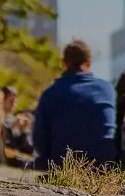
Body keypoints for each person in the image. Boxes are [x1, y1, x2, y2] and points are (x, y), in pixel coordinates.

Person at [31, 39, 117, 170]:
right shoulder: (107, 89)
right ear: (88, 62)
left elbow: (39, 141)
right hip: (104, 166)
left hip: (63, 165)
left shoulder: (50, 93)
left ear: (63, 63)